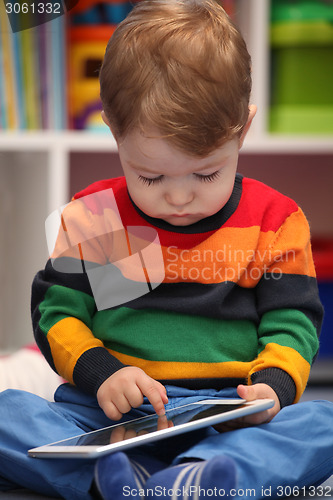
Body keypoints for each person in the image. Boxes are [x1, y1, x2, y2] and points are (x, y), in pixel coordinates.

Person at [0, 0, 332, 498]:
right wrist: (103, 374)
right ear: (114, 131)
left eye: (206, 173)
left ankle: (202, 474)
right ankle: (112, 476)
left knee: (321, 426)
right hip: (108, 411)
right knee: (10, 412)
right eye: (150, 176)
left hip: (228, 415)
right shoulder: (97, 216)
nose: (178, 197)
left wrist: (272, 388)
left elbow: (293, 322)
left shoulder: (273, 220)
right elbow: (59, 314)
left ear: (243, 129)